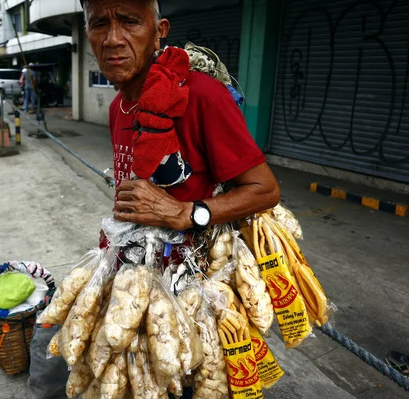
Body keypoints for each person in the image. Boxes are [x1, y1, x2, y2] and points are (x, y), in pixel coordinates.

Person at [82, 0, 280, 237]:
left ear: (159, 32)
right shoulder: (117, 107)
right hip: (135, 262)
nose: (113, 39)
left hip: (198, 267)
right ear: (88, 35)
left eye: (130, 22)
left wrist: (185, 213)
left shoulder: (202, 94)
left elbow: (265, 190)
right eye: (99, 24)